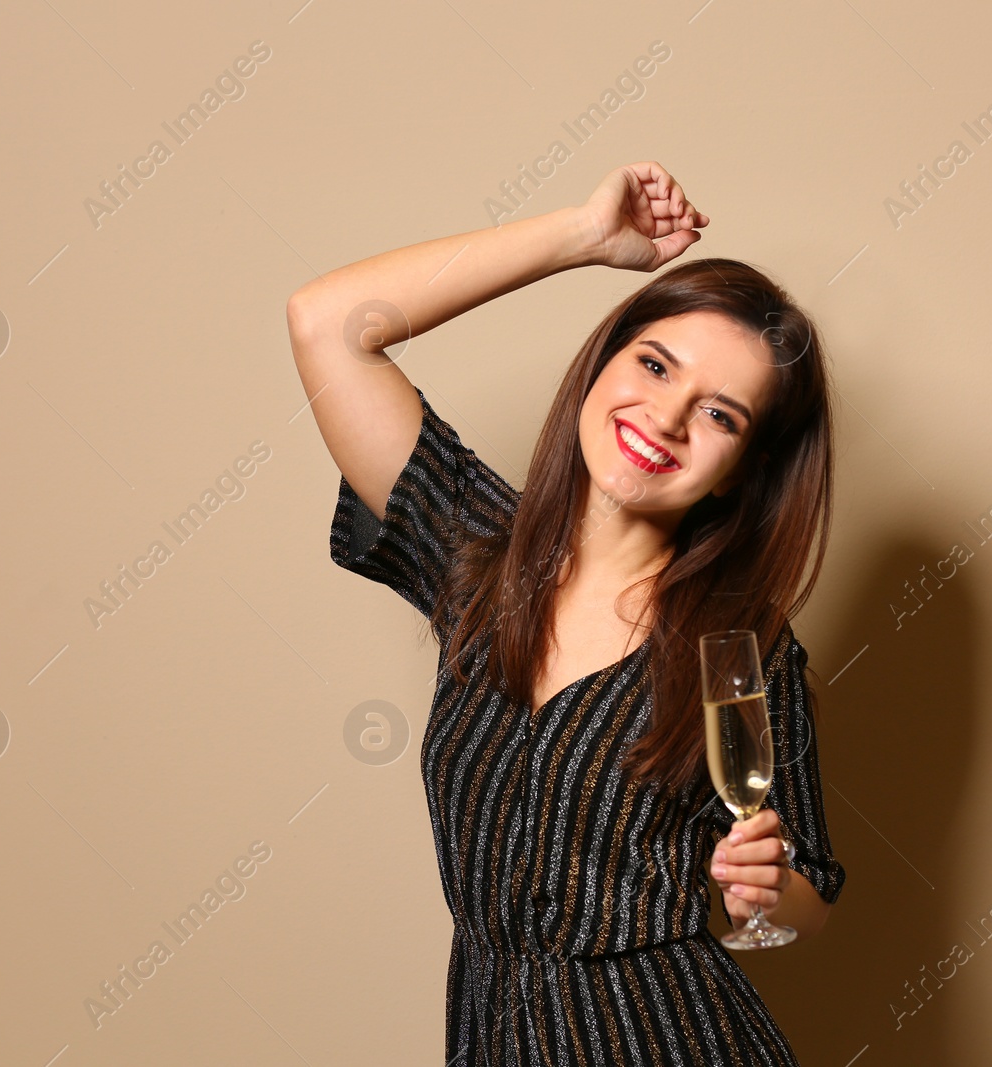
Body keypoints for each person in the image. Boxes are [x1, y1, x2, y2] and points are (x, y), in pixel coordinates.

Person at [286, 161, 846, 1065]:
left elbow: (804, 898)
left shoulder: (742, 651)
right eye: (654, 363)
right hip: (490, 1032)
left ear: (744, 469)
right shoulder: (474, 552)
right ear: (603, 360)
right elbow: (326, 325)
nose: (664, 417)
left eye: (720, 414)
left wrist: (767, 891)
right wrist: (582, 238)